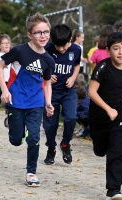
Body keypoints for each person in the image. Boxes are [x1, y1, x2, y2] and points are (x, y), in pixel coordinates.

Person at [0, 12, 54, 187]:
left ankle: (31, 173)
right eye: (38, 32)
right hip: (15, 100)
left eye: (46, 32)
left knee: (34, 138)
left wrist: (48, 102)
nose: (43, 36)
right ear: (30, 34)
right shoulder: (19, 51)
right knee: (16, 140)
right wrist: (5, 90)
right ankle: (16, 128)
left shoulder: (48, 59)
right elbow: (0, 66)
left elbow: (47, 83)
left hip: (36, 102)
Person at [88, 32, 122, 200]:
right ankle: (100, 145)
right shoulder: (103, 67)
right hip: (99, 118)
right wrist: (107, 109)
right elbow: (92, 91)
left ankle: (114, 190)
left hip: (119, 118)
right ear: (109, 50)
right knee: (100, 150)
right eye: (116, 48)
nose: (121, 52)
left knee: (119, 151)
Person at [43, 24, 81, 165]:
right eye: (57, 46)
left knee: (71, 117)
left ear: (70, 39)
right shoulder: (47, 49)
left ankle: (65, 144)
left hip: (68, 92)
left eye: (63, 46)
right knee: (50, 125)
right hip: (51, 93)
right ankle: (51, 148)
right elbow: (40, 67)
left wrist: (73, 78)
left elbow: (76, 65)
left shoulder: (76, 50)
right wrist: (45, 76)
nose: (60, 49)